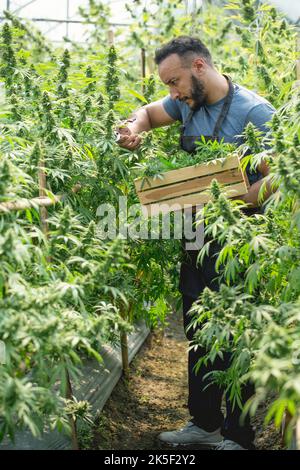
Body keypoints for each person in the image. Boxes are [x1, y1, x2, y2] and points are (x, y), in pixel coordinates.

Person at [117, 36, 275, 450]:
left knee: (235, 336)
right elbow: (148, 114)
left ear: (200, 67)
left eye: (175, 82)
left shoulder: (255, 112)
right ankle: (203, 425)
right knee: (200, 331)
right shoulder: (188, 103)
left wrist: (227, 200)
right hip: (193, 235)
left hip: (238, 239)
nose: (172, 93)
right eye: (168, 85)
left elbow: (281, 175)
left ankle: (238, 437)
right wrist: (133, 129)